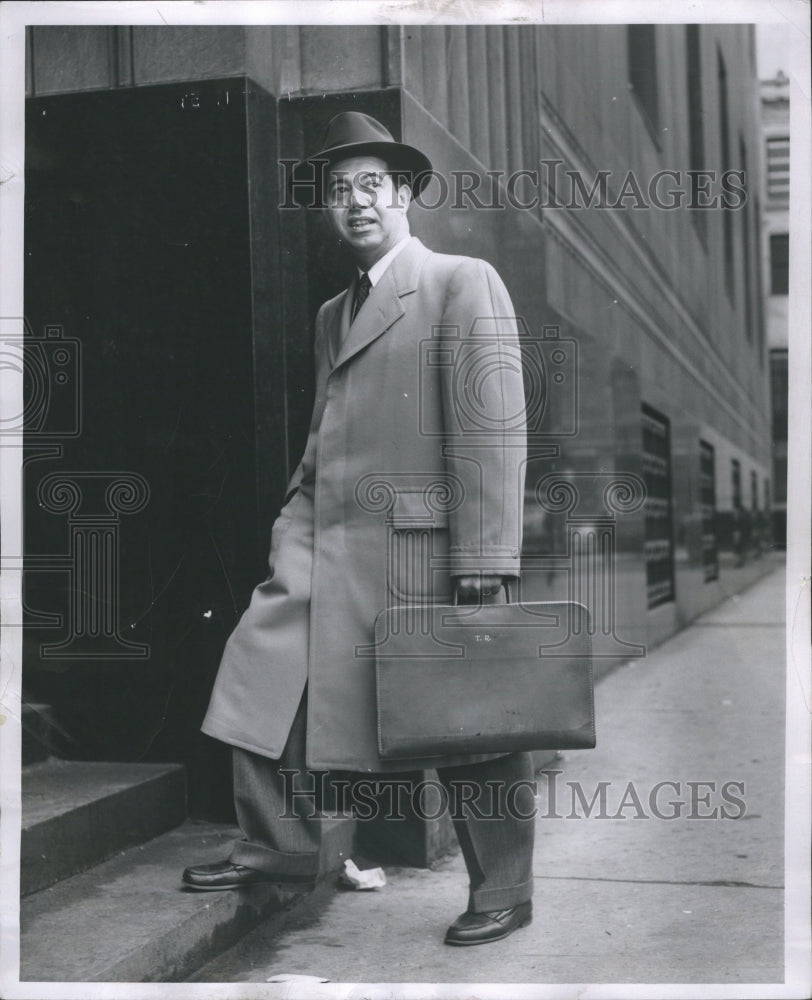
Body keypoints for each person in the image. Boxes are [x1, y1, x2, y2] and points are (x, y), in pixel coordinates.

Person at [182, 112, 535, 946]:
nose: (355, 203)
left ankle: (506, 889)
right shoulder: (331, 314)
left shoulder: (460, 281)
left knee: (468, 720)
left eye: (372, 185)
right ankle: (277, 850)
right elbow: (322, 438)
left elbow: (493, 428)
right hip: (321, 545)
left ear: (406, 193)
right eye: (339, 191)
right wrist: (289, 527)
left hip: (424, 551)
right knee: (257, 671)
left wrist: (485, 558)